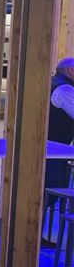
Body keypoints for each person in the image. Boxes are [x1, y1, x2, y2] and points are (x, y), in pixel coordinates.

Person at [47, 57, 74, 189]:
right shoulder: (64, 89)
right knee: (53, 185)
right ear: (71, 70)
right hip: (55, 149)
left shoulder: (53, 82)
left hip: (50, 145)